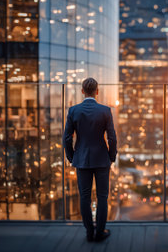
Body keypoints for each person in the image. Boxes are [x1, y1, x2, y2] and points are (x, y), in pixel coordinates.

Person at [63, 77, 117, 242]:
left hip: (82, 160)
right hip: (102, 159)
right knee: (102, 197)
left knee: (84, 197)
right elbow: (112, 138)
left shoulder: (73, 111)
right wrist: (111, 157)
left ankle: (89, 233)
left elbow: (66, 138)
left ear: (82, 91)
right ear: (97, 91)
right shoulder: (105, 110)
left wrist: (73, 157)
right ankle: (100, 233)